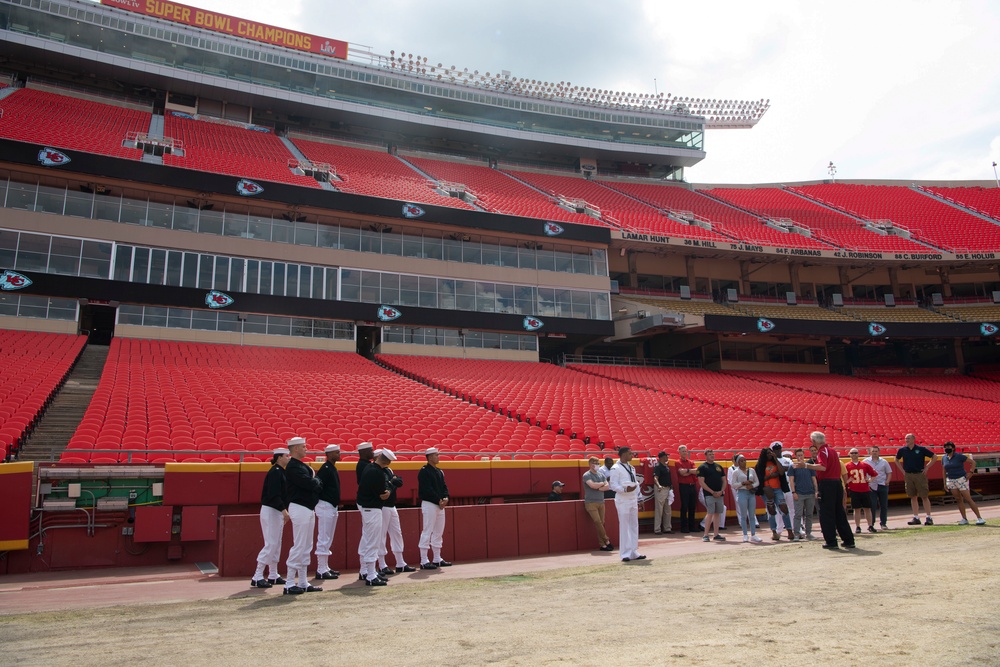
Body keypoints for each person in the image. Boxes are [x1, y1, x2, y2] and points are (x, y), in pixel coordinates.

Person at [796, 431, 854, 550]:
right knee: (839, 513)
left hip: (827, 483)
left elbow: (823, 467)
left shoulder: (822, 451)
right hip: (836, 483)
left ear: (813, 441)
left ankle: (831, 541)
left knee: (826, 513)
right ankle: (848, 539)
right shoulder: (832, 450)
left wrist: (806, 466)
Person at [282, 437, 324, 594]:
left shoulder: (300, 466)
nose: (306, 449)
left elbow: (315, 483)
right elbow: (310, 484)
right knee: (299, 544)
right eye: (303, 447)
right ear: (295, 449)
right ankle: (289, 583)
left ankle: (303, 582)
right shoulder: (293, 466)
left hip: (307, 508)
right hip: (300, 507)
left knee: (306, 546)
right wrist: (315, 482)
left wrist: (315, 482)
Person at [251, 447, 290, 588]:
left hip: (277, 511)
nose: (288, 458)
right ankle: (257, 575)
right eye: (286, 456)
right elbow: (274, 494)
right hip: (272, 510)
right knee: (271, 543)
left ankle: (273, 574)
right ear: (279, 457)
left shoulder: (281, 472)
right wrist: (284, 510)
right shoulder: (275, 472)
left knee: (276, 543)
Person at [357, 449, 393, 586]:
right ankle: (371, 574)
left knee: (368, 539)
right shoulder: (376, 471)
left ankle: (367, 571)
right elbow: (382, 493)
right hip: (372, 509)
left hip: (368, 508)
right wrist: (390, 488)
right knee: (372, 541)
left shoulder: (369, 468)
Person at [377, 452, 415, 574]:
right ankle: (382, 564)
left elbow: (399, 481)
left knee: (397, 533)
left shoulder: (388, 470)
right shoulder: (378, 472)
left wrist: (392, 482)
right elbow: (387, 485)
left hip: (391, 505)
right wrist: (393, 482)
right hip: (382, 506)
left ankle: (400, 562)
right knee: (381, 535)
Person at [608, 446, 646, 562]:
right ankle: (625, 553)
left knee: (634, 525)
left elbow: (636, 484)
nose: (632, 455)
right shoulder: (615, 468)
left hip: (633, 498)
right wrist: (624, 490)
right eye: (630, 453)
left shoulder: (631, 468)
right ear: (624, 454)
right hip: (623, 499)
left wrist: (640, 498)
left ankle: (634, 551)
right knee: (624, 526)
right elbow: (613, 485)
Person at [417, 447, 451, 569]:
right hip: (430, 504)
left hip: (439, 505)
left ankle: (437, 558)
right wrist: (439, 500)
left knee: (438, 532)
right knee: (427, 530)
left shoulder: (439, 471)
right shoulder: (424, 471)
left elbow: (444, 486)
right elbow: (427, 489)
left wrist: (446, 497)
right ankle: (424, 560)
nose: (438, 457)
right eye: (436, 455)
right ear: (430, 457)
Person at [313, 444, 341, 581]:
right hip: (324, 505)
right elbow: (318, 486)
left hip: (331, 505)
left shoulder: (331, 467)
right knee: (323, 537)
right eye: (336, 452)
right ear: (329, 454)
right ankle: (320, 569)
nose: (339, 454)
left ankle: (325, 566)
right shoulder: (325, 468)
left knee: (328, 537)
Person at [941, 441, 986, 526]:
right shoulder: (944, 458)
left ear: (953, 448)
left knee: (968, 498)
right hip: (951, 479)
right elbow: (943, 470)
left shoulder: (959, 456)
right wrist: (944, 482)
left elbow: (973, 462)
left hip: (961, 479)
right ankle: (964, 518)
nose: (947, 448)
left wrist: (971, 472)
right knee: (958, 499)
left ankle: (979, 517)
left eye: (949, 447)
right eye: (945, 447)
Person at [895, 433, 936, 526]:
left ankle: (929, 517)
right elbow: (896, 459)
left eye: (908, 438)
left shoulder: (921, 449)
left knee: (924, 496)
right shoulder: (902, 450)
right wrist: (902, 471)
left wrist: (927, 467)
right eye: (905, 438)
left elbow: (934, 457)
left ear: (914, 439)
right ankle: (916, 517)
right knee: (912, 496)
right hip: (908, 475)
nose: (907, 440)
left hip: (919, 474)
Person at [755, 446, 793, 542]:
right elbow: (759, 479)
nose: (769, 455)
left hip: (778, 488)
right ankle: (774, 532)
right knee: (771, 511)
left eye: (770, 453)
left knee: (784, 509)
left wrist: (775, 458)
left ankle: (789, 530)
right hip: (767, 490)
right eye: (768, 453)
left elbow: (781, 472)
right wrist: (771, 476)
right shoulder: (760, 465)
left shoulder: (775, 462)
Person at [582, 457, 613, 551]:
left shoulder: (601, 474)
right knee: (597, 521)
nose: (597, 464)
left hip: (601, 501)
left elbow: (607, 486)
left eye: (598, 463)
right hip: (591, 502)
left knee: (601, 523)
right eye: (595, 463)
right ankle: (606, 540)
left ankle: (602, 544)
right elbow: (592, 485)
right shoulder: (586, 475)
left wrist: (598, 487)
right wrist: (601, 484)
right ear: (590, 464)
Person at [844, 448, 878, 534]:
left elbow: (874, 474)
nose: (854, 454)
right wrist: (848, 481)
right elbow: (842, 478)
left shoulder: (865, 465)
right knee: (857, 509)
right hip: (854, 490)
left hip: (865, 489)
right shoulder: (846, 466)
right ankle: (858, 526)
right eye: (852, 453)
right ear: (849, 454)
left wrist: (870, 480)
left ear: (858, 454)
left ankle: (870, 525)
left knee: (867, 508)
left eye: (855, 453)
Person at [729, 454, 762, 543]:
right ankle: (745, 534)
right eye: (741, 461)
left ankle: (753, 534)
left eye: (744, 460)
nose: (744, 462)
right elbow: (733, 484)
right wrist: (743, 483)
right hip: (742, 493)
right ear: (738, 462)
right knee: (743, 515)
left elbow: (757, 482)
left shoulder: (751, 470)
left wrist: (752, 486)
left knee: (752, 514)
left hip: (750, 493)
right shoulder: (736, 472)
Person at [697, 449, 727, 543]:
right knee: (710, 513)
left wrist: (721, 491)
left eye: (713, 454)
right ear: (705, 456)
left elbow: (724, 480)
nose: (712, 456)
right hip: (709, 494)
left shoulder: (718, 466)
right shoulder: (702, 467)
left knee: (717, 513)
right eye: (710, 454)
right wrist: (712, 491)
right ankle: (705, 535)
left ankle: (716, 534)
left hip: (719, 494)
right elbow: (701, 482)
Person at [788, 447, 817, 541]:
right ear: (796, 457)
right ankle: (796, 533)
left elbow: (814, 479)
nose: (800, 457)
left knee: (809, 514)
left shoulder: (809, 465)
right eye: (798, 455)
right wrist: (793, 492)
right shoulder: (793, 466)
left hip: (810, 492)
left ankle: (808, 533)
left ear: (804, 455)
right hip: (799, 493)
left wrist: (816, 490)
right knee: (798, 514)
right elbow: (791, 480)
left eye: (801, 455)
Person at [863, 446, 893, 531]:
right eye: (873, 451)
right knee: (872, 505)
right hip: (871, 486)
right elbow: (862, 472)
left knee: (884, 505)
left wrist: (887, 481)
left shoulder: (884, 461)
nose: (874, 453)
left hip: (882, 485)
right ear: (870, 452)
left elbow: (889, 472)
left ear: (879, 452)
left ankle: (883, 523)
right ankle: (871, 524)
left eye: (876, 451)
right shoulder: (865, 462)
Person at [676, 445, 698, 533]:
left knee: (692, 506)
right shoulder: (678, 462)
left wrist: (687, 471)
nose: (685, 453)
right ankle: (684, 527)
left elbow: (696, 471)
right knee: (684, 506)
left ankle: (692, 526)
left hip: (692, 485)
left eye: (685, 451)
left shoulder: (691, 462)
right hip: (684, 486)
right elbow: (681, 473)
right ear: (679, 452)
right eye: (683, 451)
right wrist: (690, 471)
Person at [652, 451, 673, 534]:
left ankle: (667, 528)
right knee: (659, 509)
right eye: (665, 456)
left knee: (667, 509)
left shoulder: (666, 466)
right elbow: (655, 477)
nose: (667, 457)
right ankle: (657, 529)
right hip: (661, 488)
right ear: (661, 457)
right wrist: (659, 485)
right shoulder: (658, 466)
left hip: (667, 489)